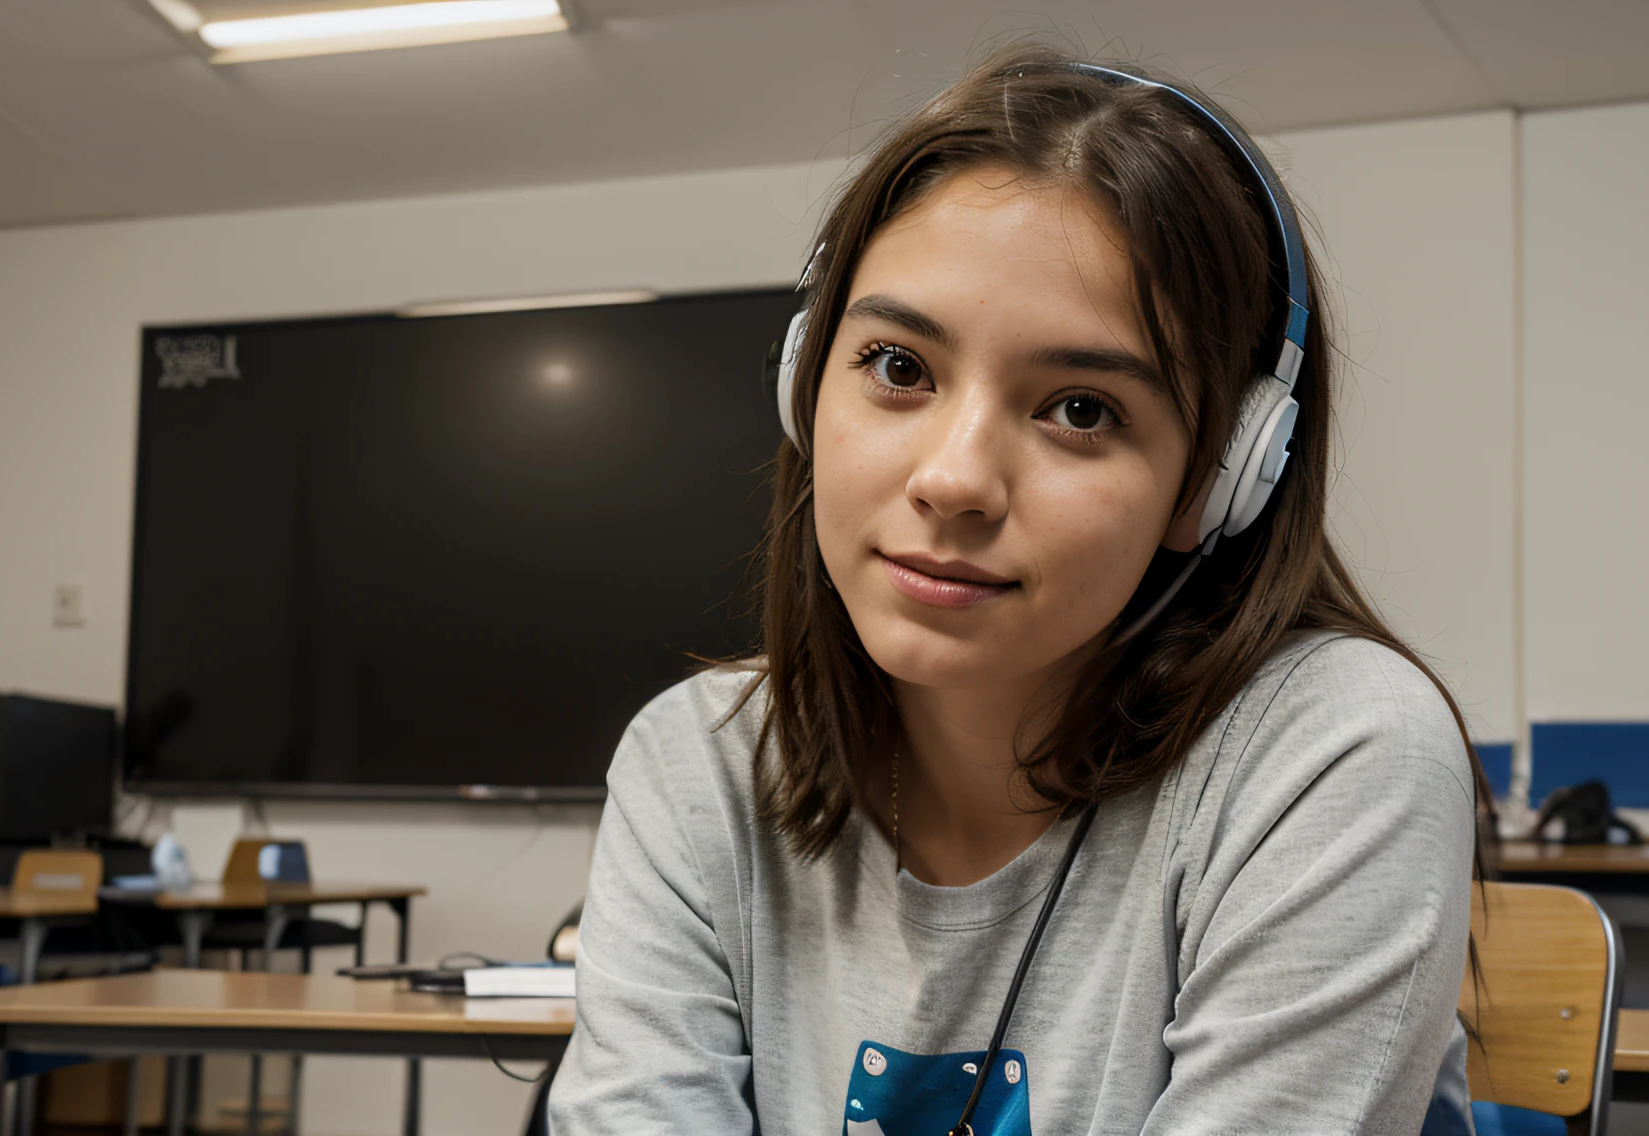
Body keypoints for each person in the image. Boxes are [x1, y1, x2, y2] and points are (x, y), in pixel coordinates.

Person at [546, 41, 1490, 1136]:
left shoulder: (1331, 751)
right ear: (807, 386)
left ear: (1220, 478)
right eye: (899, 367)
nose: (951, 480)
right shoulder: (698, 759)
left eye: (1080, 409)